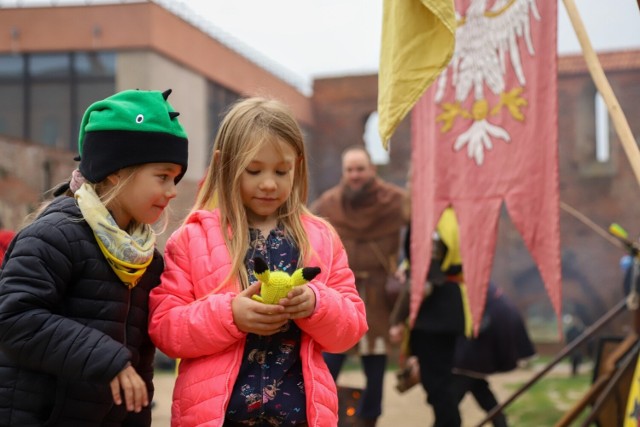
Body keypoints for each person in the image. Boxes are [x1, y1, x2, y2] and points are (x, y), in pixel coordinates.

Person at [147, 97, 368, 427]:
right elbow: (165, 328)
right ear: (224, 165)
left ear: (299, 165)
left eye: (281, 171)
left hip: (301, 418)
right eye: (254, 170)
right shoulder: (193, 238)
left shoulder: (321, 238)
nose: (269, 182)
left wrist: (316, 304)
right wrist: (230, 315)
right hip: (217, 418)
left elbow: (351, 329)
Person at [0, 88, 189, 425]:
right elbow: (15, 320)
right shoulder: (54, 235)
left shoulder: (147, 261)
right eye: (162, 176)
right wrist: (107, 359)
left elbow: (140, 368)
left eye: (175, 178)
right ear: (116, 170)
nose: (172, 191)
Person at [310, 145, 408, 427]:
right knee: (328, 364)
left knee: (375, 370)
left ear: (372, 170)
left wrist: (407, 268)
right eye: (350, 170)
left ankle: (369, 421)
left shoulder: (394, 201)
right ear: (344, 173)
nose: (355, 175)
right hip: (341, 293)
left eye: (360, 169)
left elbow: (421, 225)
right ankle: (319, 417)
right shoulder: (329, 204)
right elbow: (308, 233)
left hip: (378, 295)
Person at [389, 209, 469, 427]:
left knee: (437, 384)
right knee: (438, 381)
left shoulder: (433, 221)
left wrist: (397, 319)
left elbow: (424, 281)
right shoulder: (452, 216)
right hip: (446, 309)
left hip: (435, 315)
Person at [450, 283, 536, 427]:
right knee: (480, 390)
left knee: (449, 402)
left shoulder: (477, 289)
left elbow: (478, 324)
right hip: (475, 354)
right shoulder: (489, 292)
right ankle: (501, 423)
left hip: (472, 354)